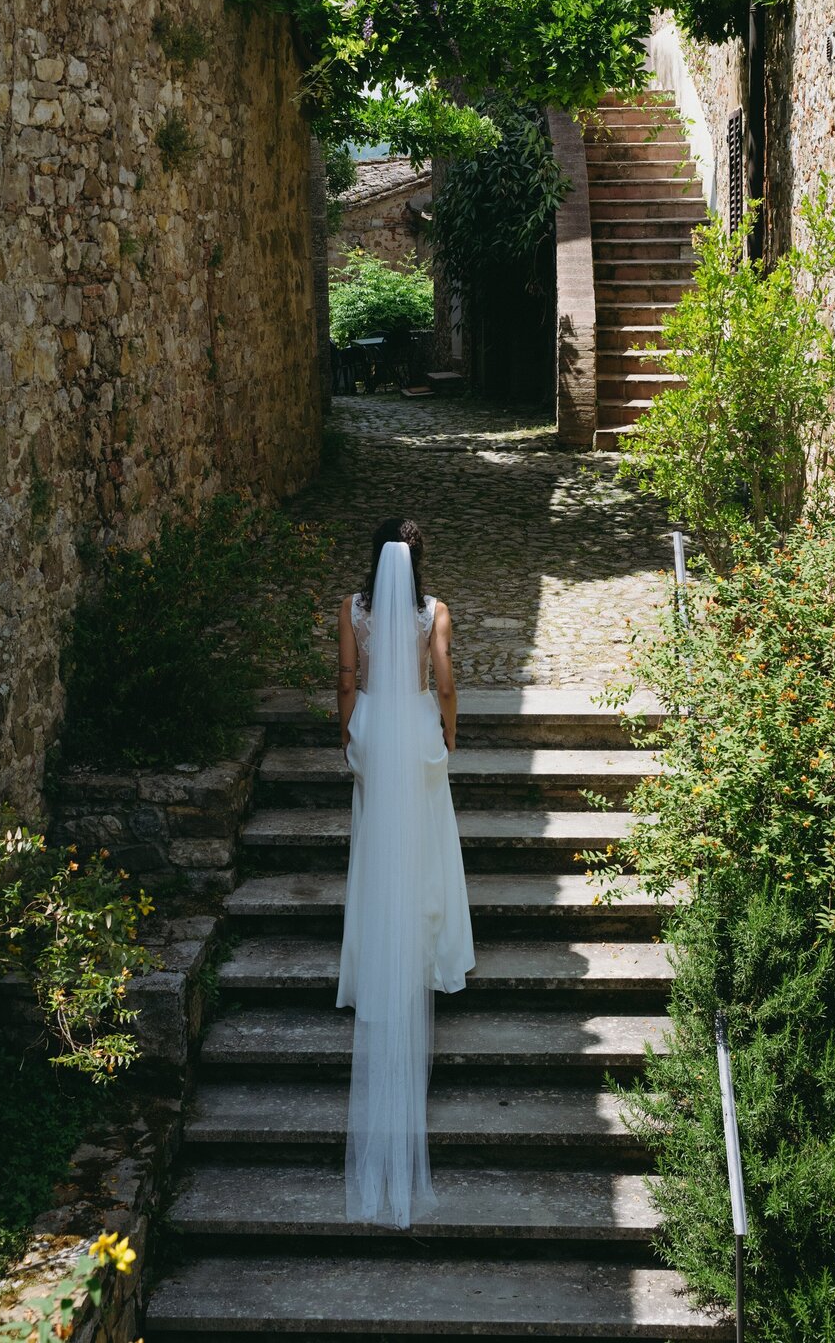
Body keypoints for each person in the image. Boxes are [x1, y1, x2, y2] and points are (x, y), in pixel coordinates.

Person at [335, 518, 475, 1229]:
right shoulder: (435, 612)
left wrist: (349, 735)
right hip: (416, 730)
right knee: (427, 845)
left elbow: (347, 680)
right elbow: (444, 679)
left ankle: (374, 961)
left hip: (376, 732)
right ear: (419, 561)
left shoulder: (352, 610)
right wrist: (448, 729)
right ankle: (431, 954)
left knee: (377, 848)